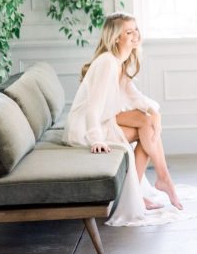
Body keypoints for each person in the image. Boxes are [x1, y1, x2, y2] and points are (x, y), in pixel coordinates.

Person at [63, 12, 183, 226]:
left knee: (147, 124)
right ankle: (163, 180)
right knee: (146, 128)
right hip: (85, 128)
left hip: (103, 119)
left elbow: (133, 95)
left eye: (136, 30)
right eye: (129, 32)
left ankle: (154, 184)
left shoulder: (119, 62)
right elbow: (93, 107)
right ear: (116, 38)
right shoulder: (107, 62)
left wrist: (155, 112)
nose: (135, 35)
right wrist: (96, 139)